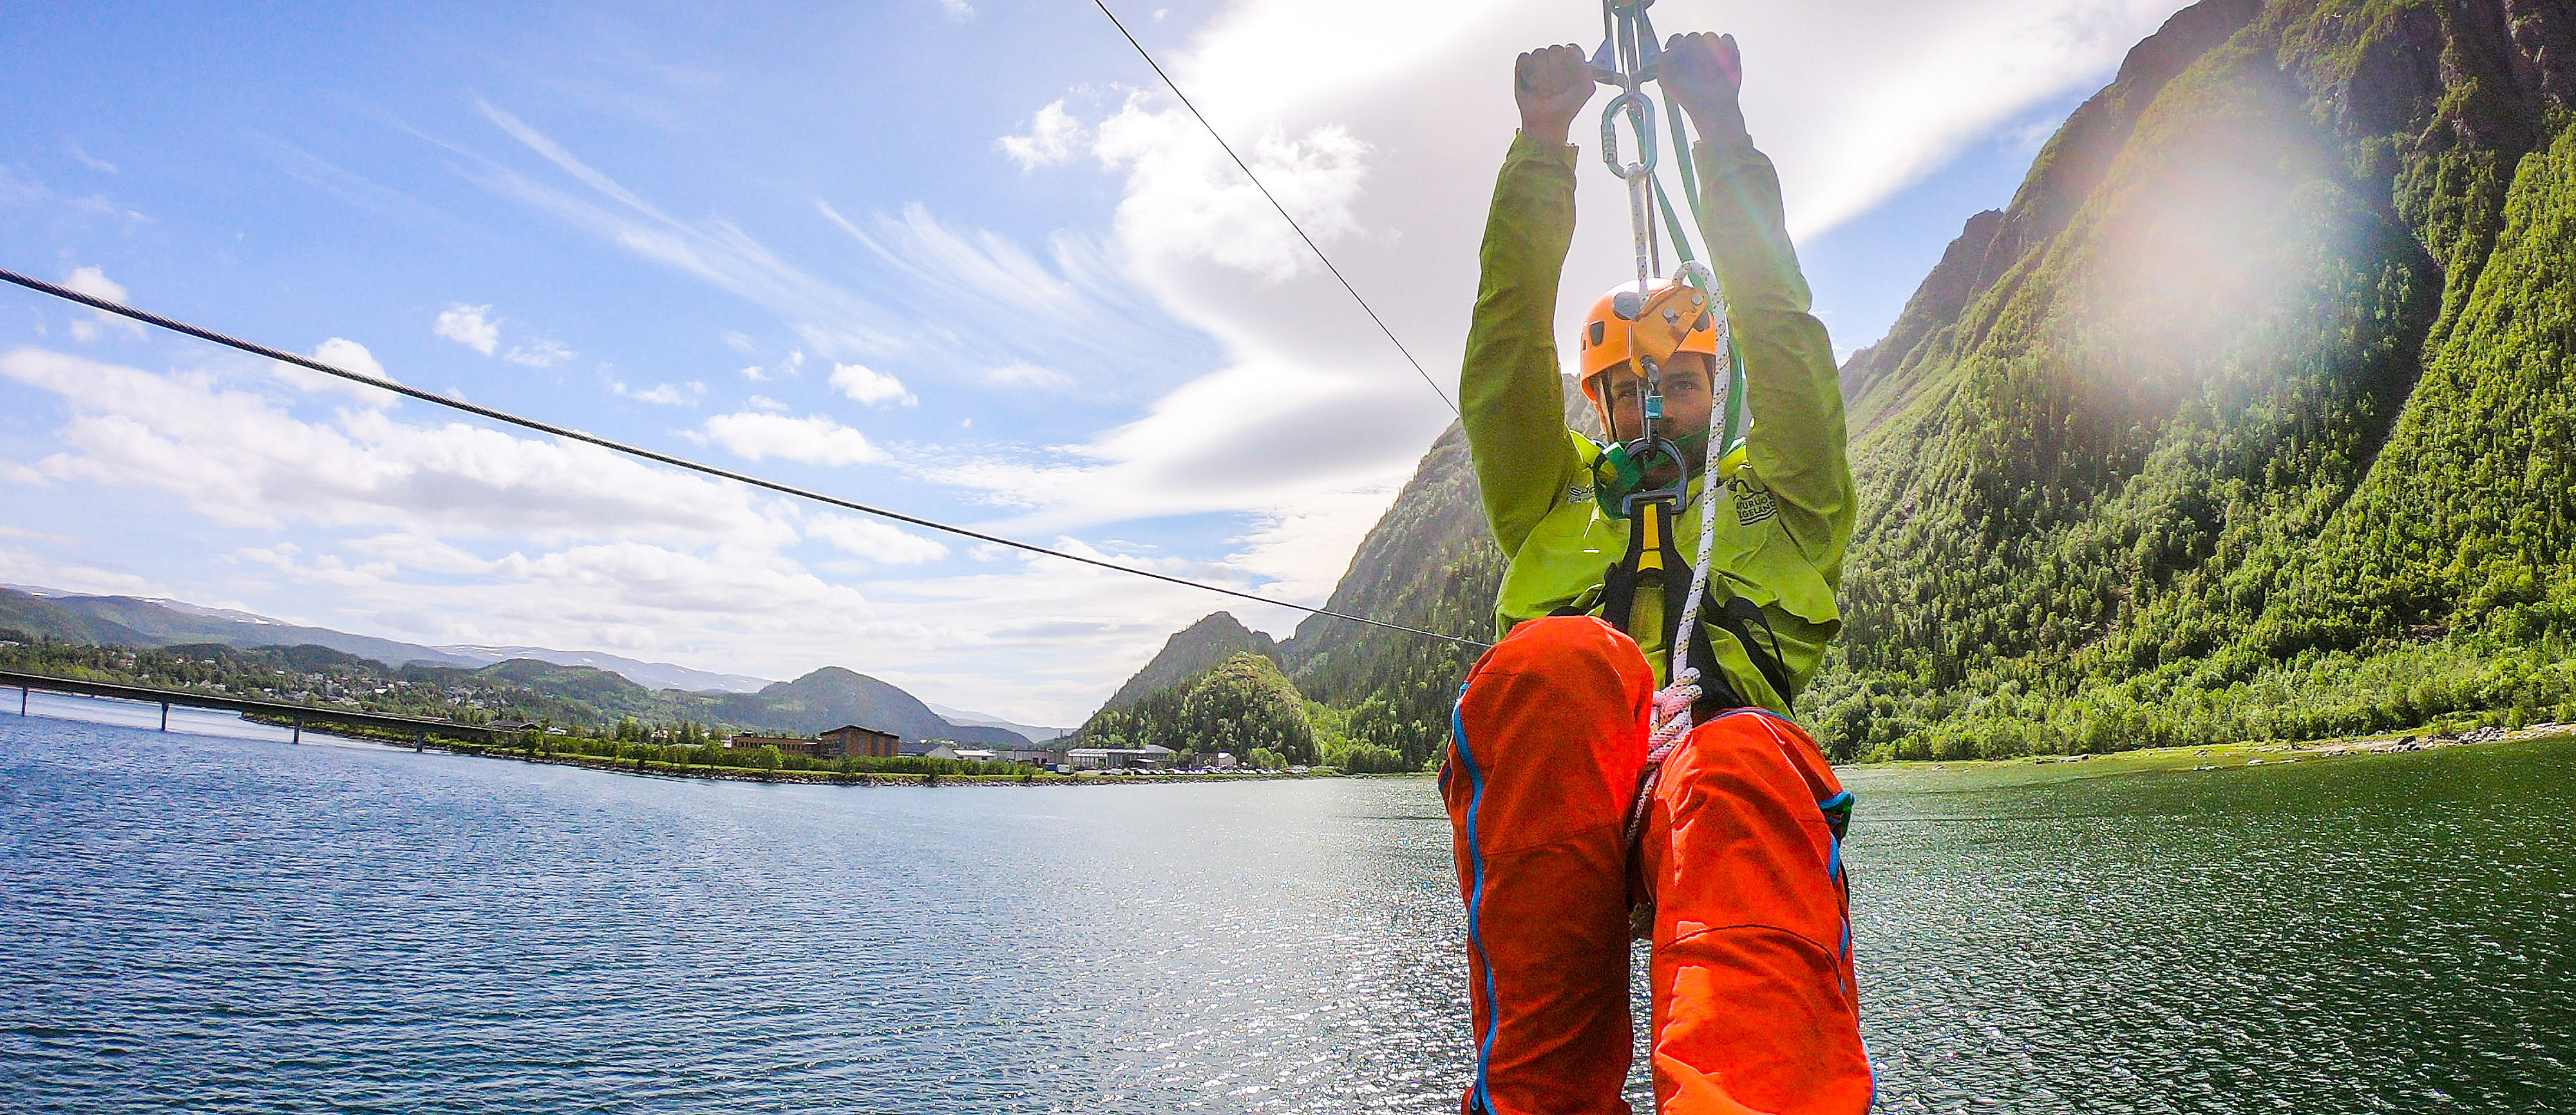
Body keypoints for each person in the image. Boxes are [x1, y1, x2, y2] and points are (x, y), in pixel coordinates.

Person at [1441, 31, 1869, 1115]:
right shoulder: (1554, 499)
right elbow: (1500, 357)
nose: (1651, 410)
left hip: (1716, 787)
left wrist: (1719, 132)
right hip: (1564, 795)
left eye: (1678, 385)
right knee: (1553, 666)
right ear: (1600, 405)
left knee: (1738, 770)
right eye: (1629, 393)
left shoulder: (1783, 494)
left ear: (1718, 388)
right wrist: (1543, 145)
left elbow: (1785, 327)